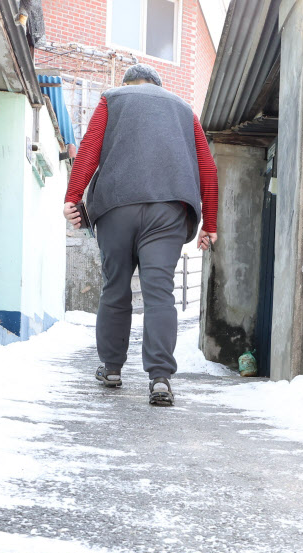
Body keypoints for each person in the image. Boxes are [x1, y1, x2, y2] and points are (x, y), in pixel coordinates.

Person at [63, 64, 218, 407]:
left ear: (127, 83)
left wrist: (72, 196)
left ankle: (113, 369)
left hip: (117, 206)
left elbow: (89, 148)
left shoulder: (112, 98)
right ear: (157, 86)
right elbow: (207, 166)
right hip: (168, 210)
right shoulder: (183, 109)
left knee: (115, 287)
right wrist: (211, 222)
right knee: (160, 292)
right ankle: (160, 379)